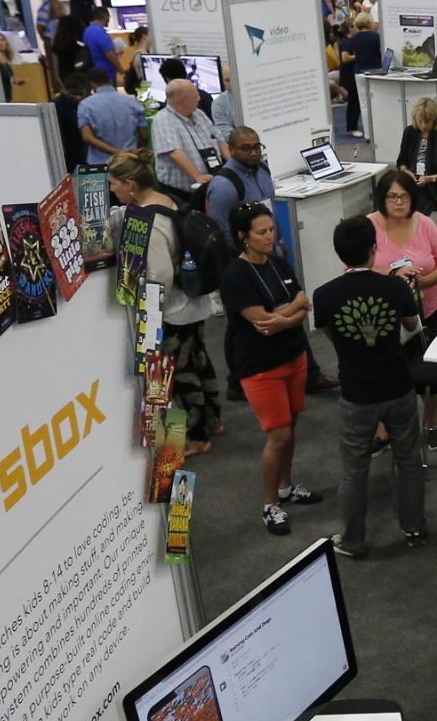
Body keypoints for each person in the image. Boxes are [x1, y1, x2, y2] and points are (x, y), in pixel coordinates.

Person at [105, 154, 222, 449]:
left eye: (114, 184)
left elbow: (159, 274)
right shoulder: (164, 199)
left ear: (130, 184)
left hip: (169, 310)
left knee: (170, 376)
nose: (111, 190)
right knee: (197, 360)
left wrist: (149, 324)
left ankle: (194, 438)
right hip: (191, 300)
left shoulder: (142, 220)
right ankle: (212, 421)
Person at [225, 205, 327, 537]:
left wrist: (284, 316)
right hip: (260, 368)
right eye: (262, 232)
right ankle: (271, 504)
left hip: (293, 357)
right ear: (244, 237)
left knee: (291, 426)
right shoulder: (235, 276)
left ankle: (286, 486)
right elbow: (262, 322)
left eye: (271, 230)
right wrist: (288, 314)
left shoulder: (279, 261)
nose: (270, 236)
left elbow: (302, 300)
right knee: (279, 435)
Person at [369, 167, 437, 445]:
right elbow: (353, 269)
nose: (398, 203)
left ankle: (431, 420)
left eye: (404, 196)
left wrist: (427, 279)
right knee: (386, 372)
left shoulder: (424, 224)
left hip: (428, 307)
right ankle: (385, 428)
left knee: (429, 371)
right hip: (383, 315)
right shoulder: (368, 226)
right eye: (392, 197)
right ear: (381, 198)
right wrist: (391, 278)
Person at [149, 78, 226, 191]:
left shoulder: (199, 114)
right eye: (195, 96)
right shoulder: (163, 119)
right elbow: (175, 153)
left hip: (211, 182)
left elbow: (219, 139)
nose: (199, 99)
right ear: (182, 100)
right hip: (182, 191)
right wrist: (197, 176)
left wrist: (233, 165)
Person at [397, 95, 437, 216]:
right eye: (420, 121)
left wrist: (429, 178)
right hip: (411, 182)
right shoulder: (409, 132)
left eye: (427, 121)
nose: (423, 125)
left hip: (433, 187)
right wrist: (407, 172)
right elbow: (401, 162)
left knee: (420, 204)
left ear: (434, 120)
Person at [77, 70, 147, 166]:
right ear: (109, 81)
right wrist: (134, 152)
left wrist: (118, 152)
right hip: (129, 161)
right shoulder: (132, 101)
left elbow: (87, 137)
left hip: (100, 164)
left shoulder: (85, 105)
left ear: (91, 85)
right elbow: (144, 136)